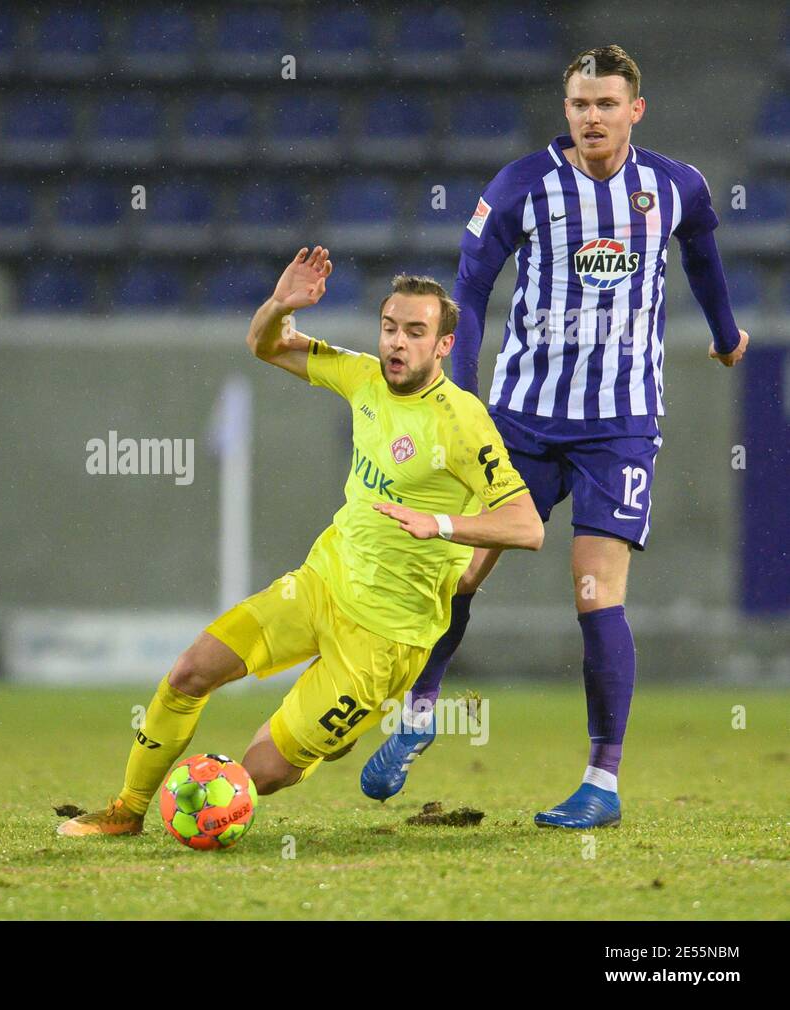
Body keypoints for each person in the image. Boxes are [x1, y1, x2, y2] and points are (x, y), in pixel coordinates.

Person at [362, 45, 750, 829]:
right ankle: (418, 715)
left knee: (594, 594)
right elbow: (470, 288)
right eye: (579, 105)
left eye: (607, 104)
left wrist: (725, 331)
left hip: (620, 425)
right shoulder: (523, 186)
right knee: (459, 574)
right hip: (522, 420)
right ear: (564, 110)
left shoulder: (674, 186)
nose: (592, 118)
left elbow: (703, 252)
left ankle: (600, 783)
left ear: (634, 110)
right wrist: (460, 393)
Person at [58, 248, 543, 837]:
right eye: (390, 328)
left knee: (261, 771)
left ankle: (317, 741)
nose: (396, 343)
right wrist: (279, 304)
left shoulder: (462, 421)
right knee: (191, 672)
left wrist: (439, 524)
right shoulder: (363, 375)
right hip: (321, 585)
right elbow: (266, 345)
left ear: (443, 345)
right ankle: (127, 811)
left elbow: (526, 525)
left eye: (415, 332)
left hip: (386, 639)